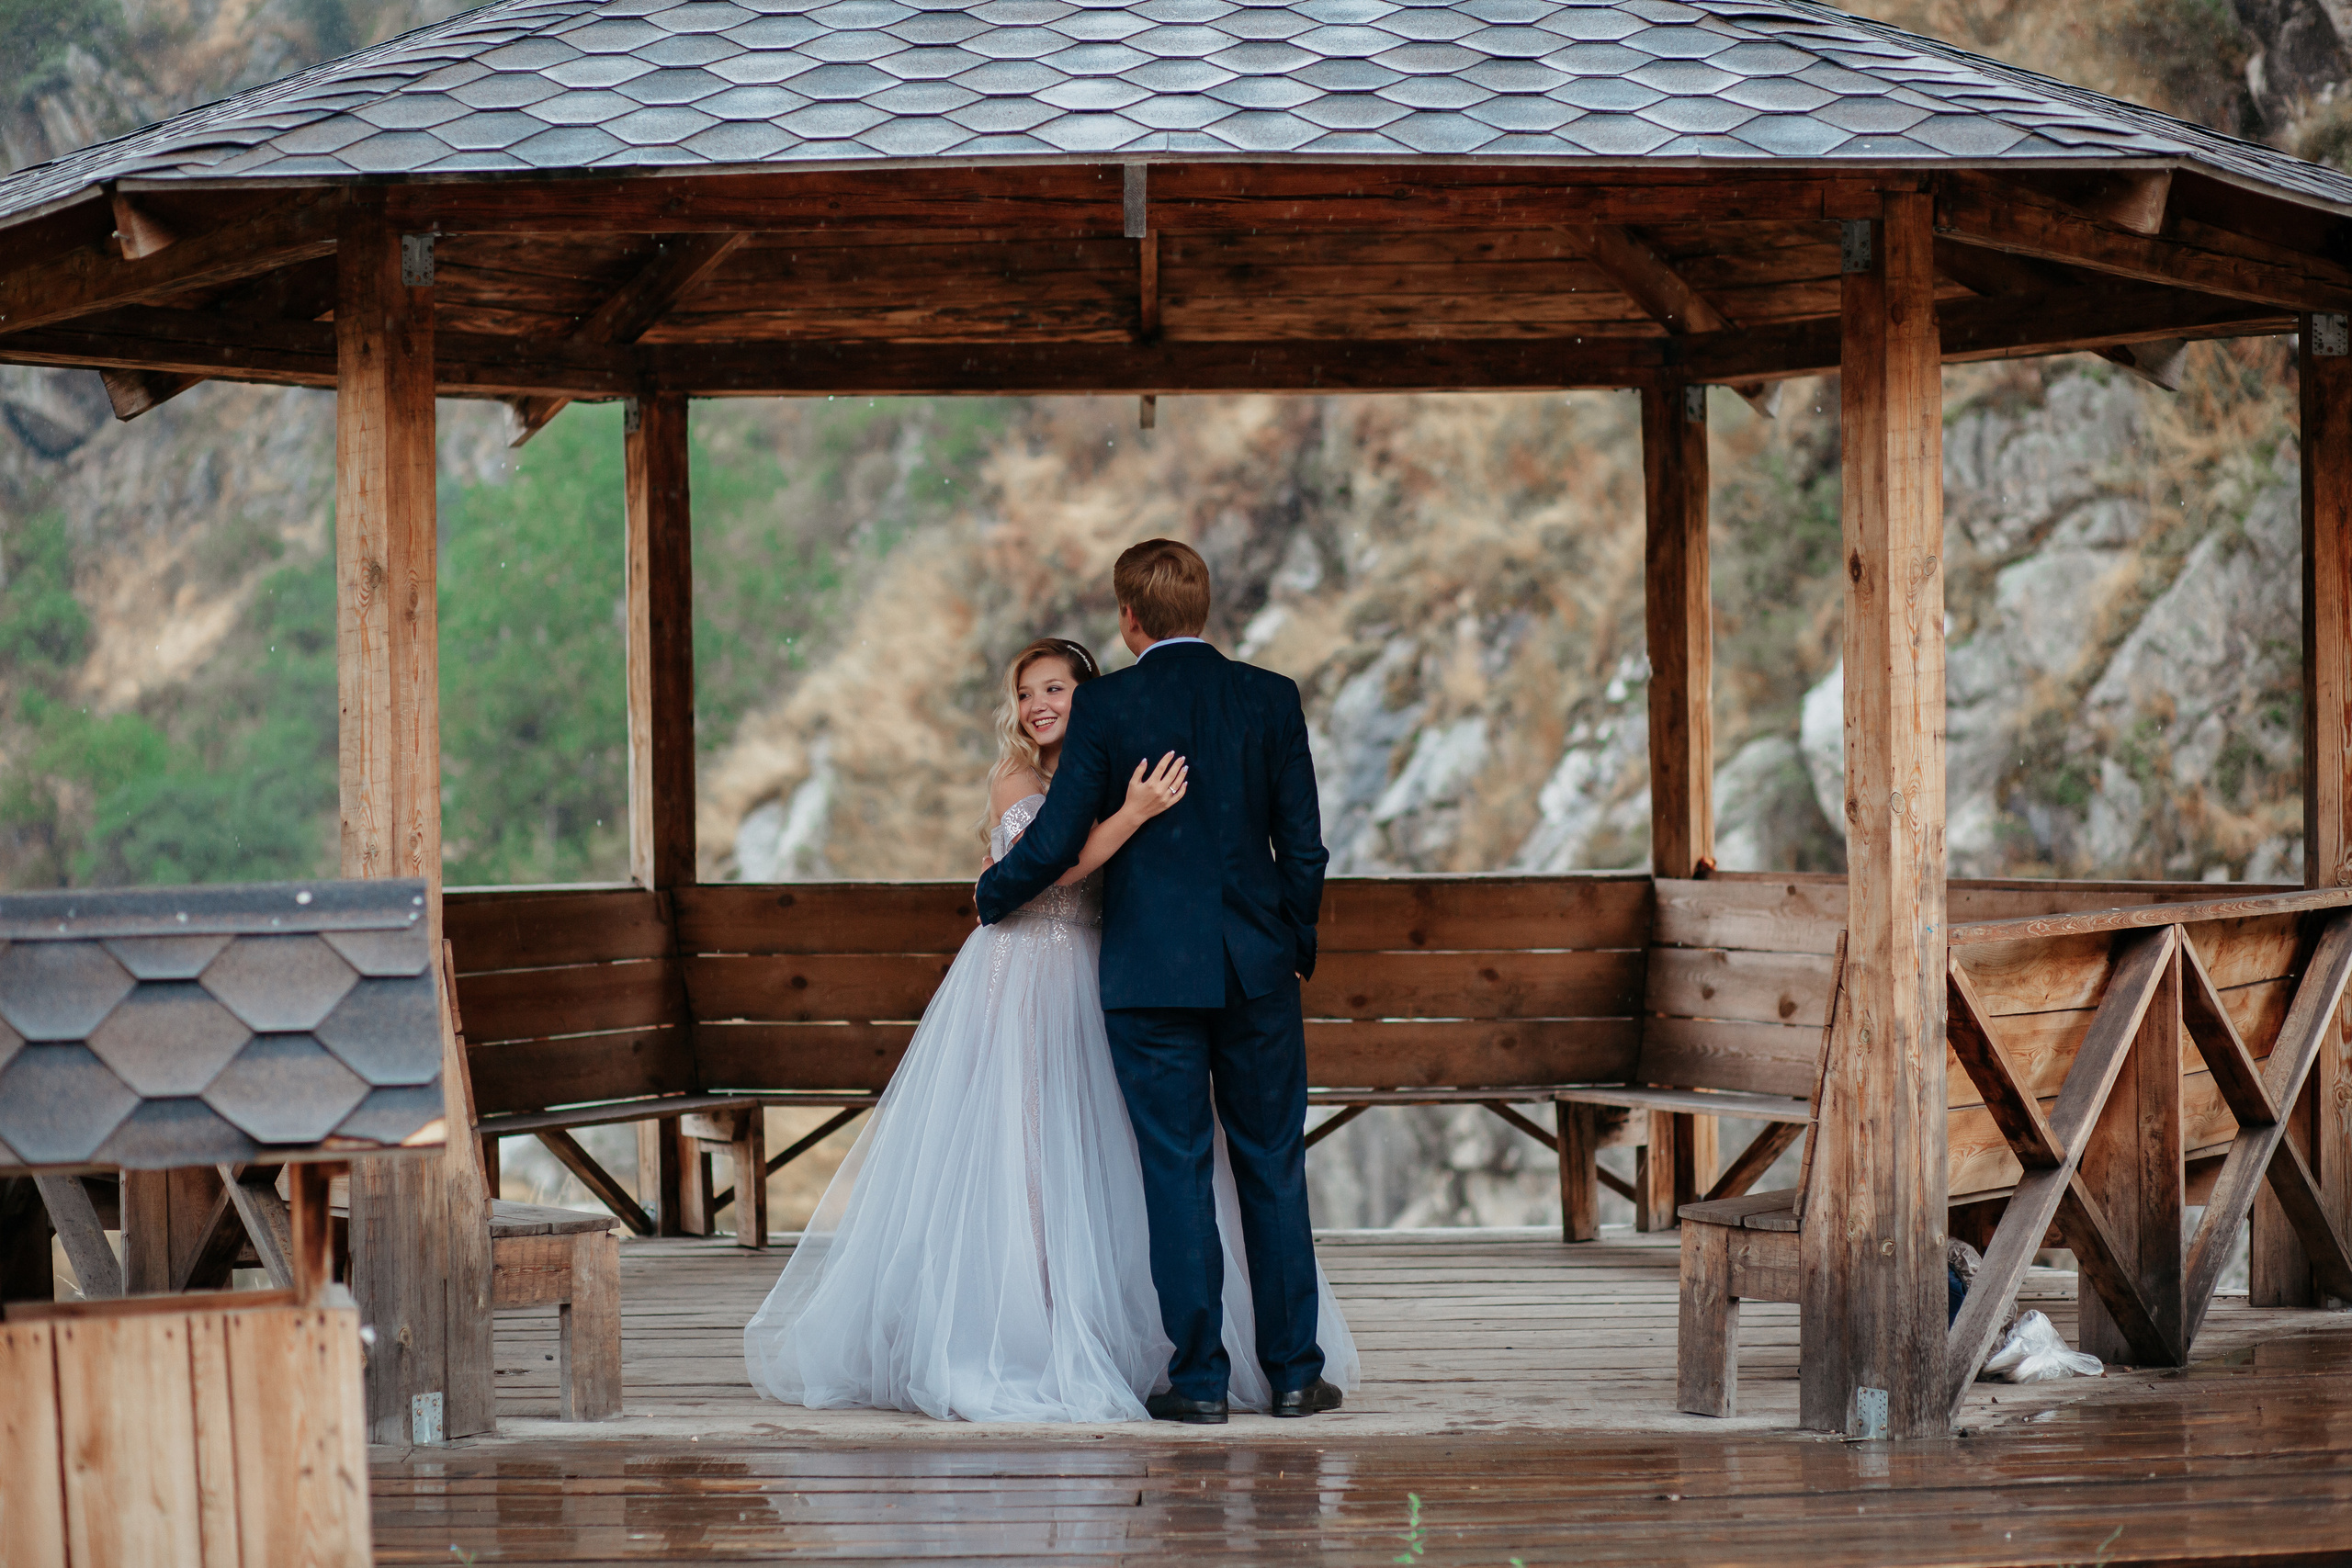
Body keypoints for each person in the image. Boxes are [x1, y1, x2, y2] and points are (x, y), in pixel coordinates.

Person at [742, 631, 1357, 1422]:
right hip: (1028, 975)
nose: (1037, 704)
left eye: (1055, 690)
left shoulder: (1104, 763)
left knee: (1119, 1164)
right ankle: (1040, 1324)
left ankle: (1169, 1354)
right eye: (1026, 692)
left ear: (1089, 695)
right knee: (1037, 1153)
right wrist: (1126, 818)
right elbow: (1053, 863)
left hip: (1111, 976)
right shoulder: (1026, 780)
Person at [977, 539, 1343, 1424]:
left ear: (1129, 618)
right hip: (1255, 971)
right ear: (1204, 608)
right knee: (1271, 1164)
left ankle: (1201, 1380)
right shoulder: (1269, 697)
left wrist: (995, 892)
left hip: (1148, 977)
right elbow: (1303, 843)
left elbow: (1059, 836)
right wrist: (1296, 942)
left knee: (1175, 1172)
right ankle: (1295, 1372)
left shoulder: (1107, 704)